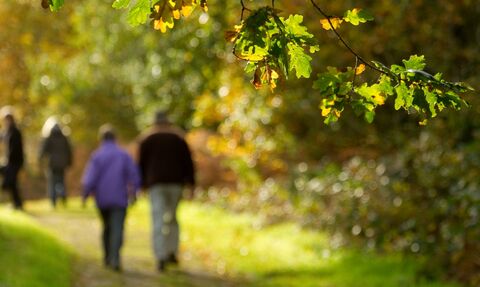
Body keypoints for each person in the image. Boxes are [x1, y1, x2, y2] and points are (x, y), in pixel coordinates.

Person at [138, 111, 195, 272]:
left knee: (158, 218)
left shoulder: (147, 139)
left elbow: (141, 165)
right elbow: (188, 163)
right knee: (172, 218)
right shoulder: (178, 138)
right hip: (176, 184)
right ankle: (171, 252)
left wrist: (141, 185)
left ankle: (160, 255)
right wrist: (191, 184)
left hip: (156, 184)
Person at [82, 125, 141, 271]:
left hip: (102, 200)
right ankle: (115, 257)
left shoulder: (97, 155)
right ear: (115, 138)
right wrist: (133, 192)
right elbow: (134, 175)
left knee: (107, 227)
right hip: (120, 199)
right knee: (117, 228)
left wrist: (85, 194)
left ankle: (108, 256)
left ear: (101, 138)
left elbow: (90, 178)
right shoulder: (123, 155)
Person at [39, 120, 73, 207]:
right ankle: (62, 196)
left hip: (52, 163)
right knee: (61, 181)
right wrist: (69, 162)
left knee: (52, 182)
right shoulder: (64, 137)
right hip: (62, 164)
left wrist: (40, 158)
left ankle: (53, 201)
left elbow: (43, 150)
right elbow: (69, 151)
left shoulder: (49, 137)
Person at [0, 111, 24, 210]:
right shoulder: (7, 131)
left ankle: (17, 203)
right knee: (12, 183)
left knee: (10, 183)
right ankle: (17, 204)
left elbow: (14, 150)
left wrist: (7, 160)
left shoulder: (15, 132)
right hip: (10, 162)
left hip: (15, 162)